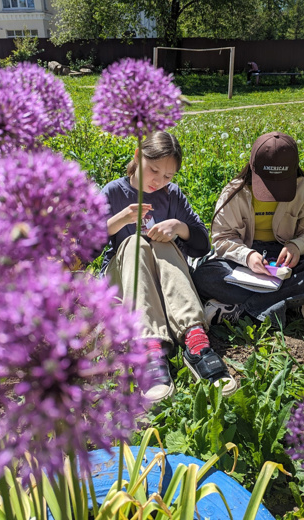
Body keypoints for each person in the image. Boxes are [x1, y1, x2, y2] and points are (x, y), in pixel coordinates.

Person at [101, 131, 237, 404]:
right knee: (136, 242)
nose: (159, 181)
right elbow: (87, 245)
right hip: (124, 278)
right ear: (138, 156)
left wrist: (179, 227)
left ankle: (196, 341)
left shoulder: (171, 195)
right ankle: (148, 346)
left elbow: (200, 245)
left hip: (164, 283)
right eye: (154, 171)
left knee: (163, 242)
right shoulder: (113, 192)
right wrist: (119, 220)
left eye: (168, 176)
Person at [192, 132, 304, 329]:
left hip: (287, 263)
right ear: (252, 168)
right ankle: (292, 301)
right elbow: (222, 238)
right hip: (244, 260)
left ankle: (243, 312)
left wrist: (297, 246)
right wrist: (247, 256)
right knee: (204, 276)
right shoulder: (234, 192)